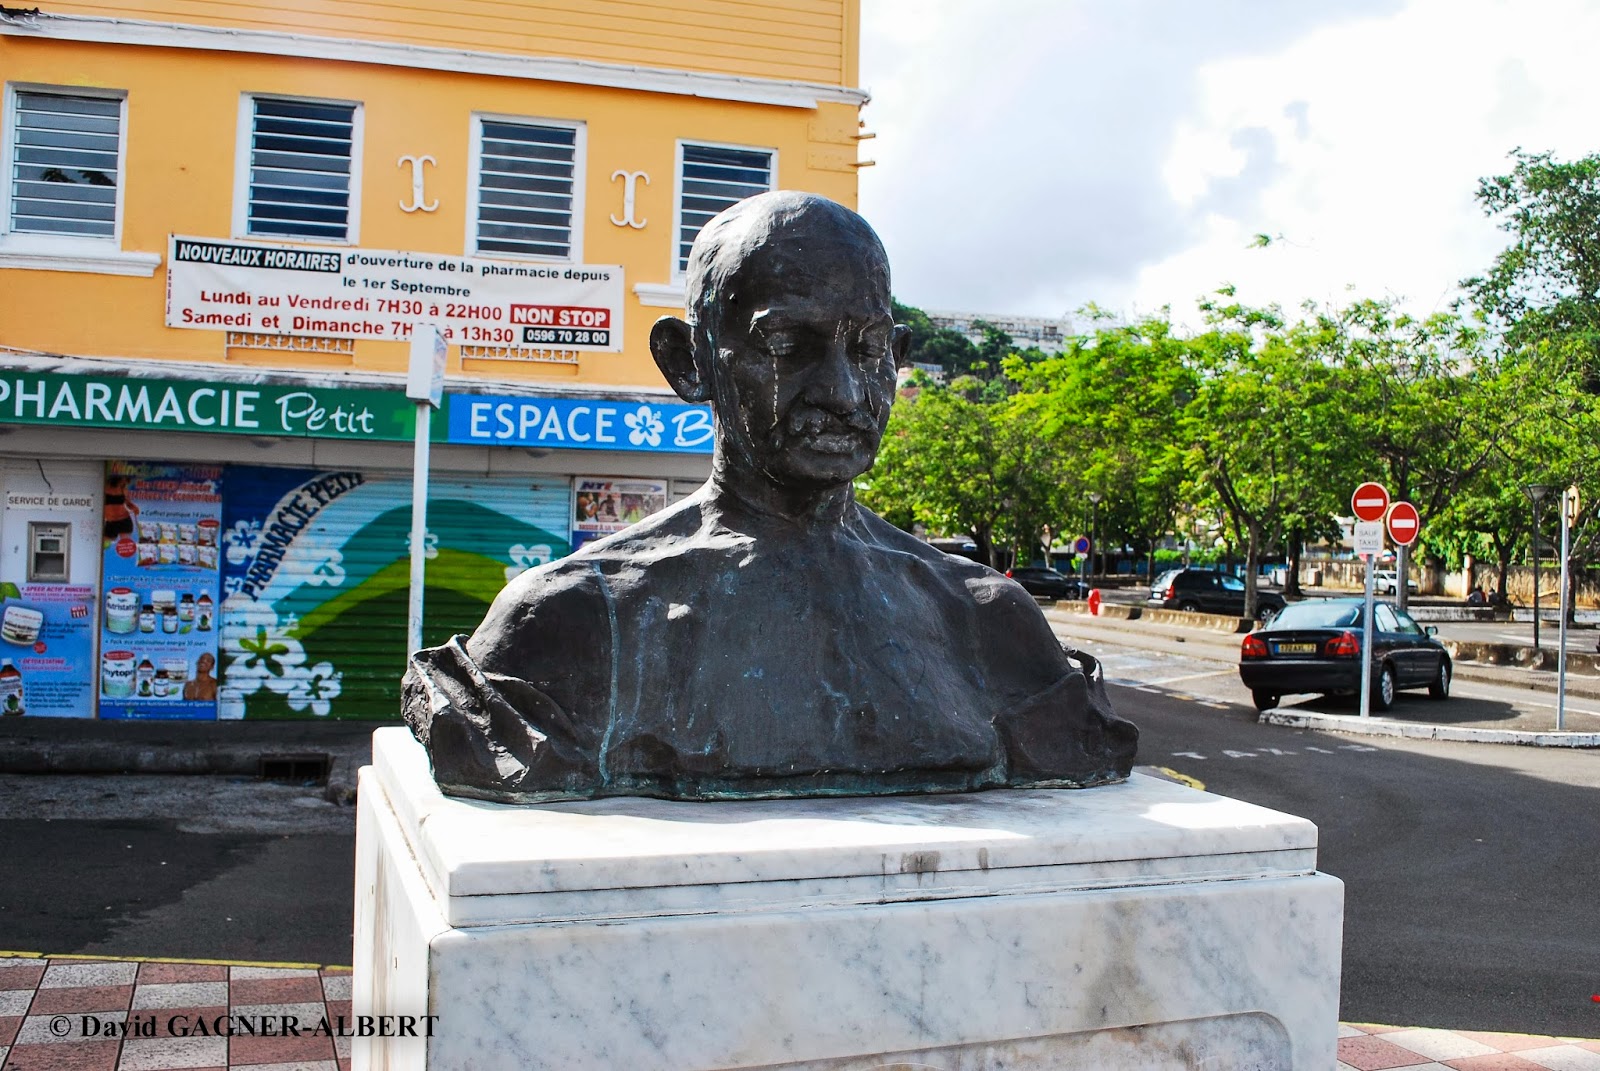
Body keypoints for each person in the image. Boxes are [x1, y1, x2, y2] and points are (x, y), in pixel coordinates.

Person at [403, 192, 1137, 803]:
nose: (842, 394)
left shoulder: (988, 622)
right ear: (690, 363)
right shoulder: (570, 623)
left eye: (867, 349)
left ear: (898, 358)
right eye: (787, 346)